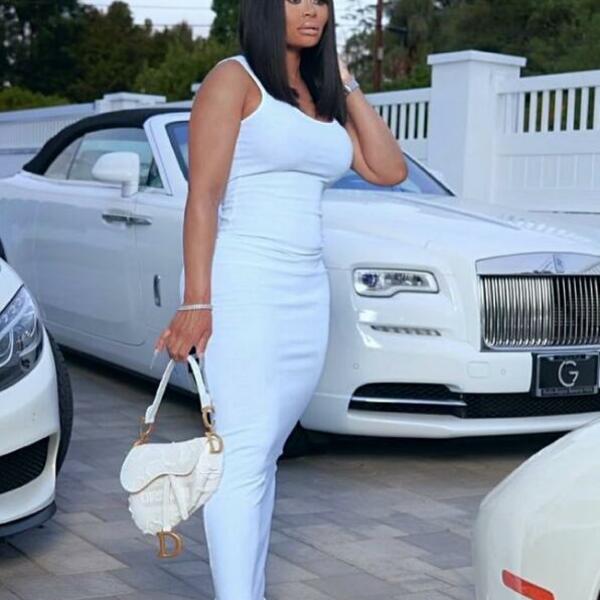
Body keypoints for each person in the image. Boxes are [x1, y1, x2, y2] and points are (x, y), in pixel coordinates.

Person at [153, 0, 408, 598]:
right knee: (243, 453)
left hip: (306, 290)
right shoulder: (233, 79)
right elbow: (203, 197)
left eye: (321, 0)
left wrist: (345, 82)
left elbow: (388, 168)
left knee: (264, 452)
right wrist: (196, 301)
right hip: (245, 283)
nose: (313, 11)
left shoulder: (321, 96)